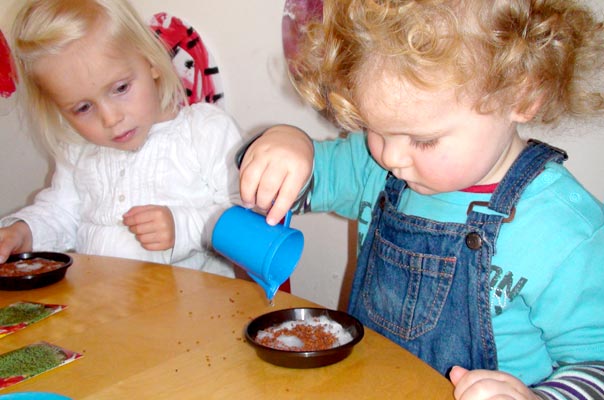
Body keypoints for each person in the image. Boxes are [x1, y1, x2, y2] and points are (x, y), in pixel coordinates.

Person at [237, 0, 604, 398]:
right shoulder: (371, 166)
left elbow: (596, 365)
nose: (391, 157)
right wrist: (285, 145)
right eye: (372, 127)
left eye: (423, 140)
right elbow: (288, 189)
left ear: (521, 94)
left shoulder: (565, 230)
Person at [0, 0, 242, 277]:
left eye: (121, 88)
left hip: (197, 311)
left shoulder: (204, 131)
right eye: (83, 108)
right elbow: (60, 213)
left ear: (150, 60)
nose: (110, 119)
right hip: (104, 310)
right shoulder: (78, 150)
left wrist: (184, 228)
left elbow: (247, 222)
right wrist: (24, 231)